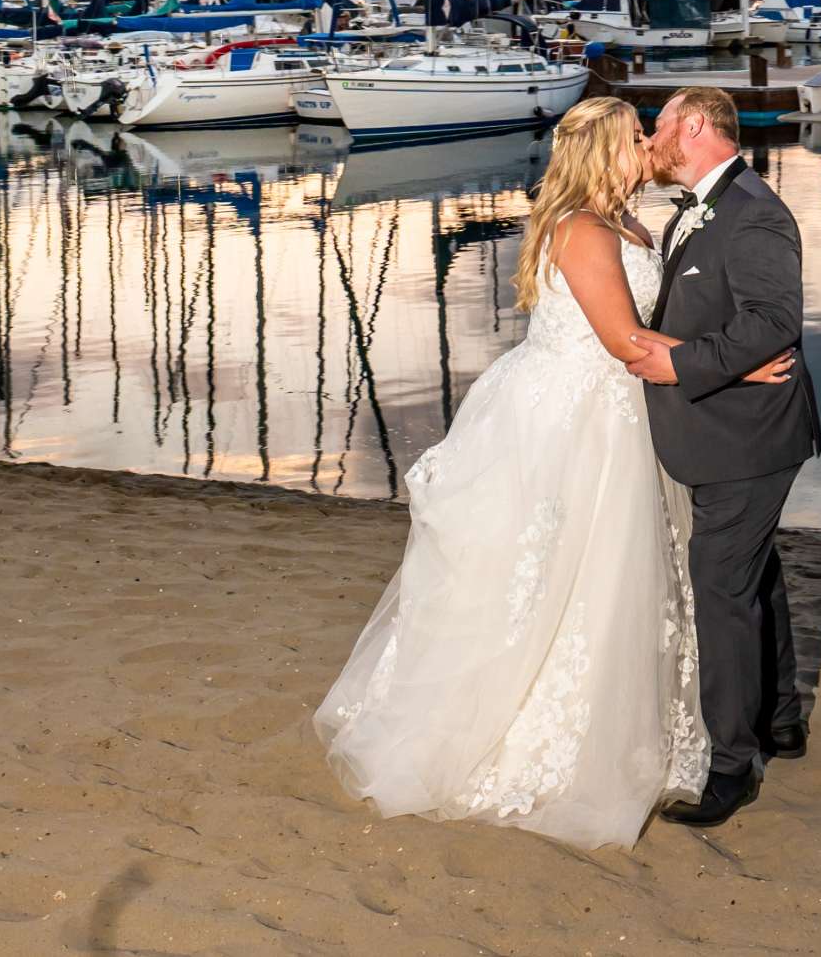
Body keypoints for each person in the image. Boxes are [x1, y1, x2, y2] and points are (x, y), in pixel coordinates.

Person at [314, 98, 794, 849]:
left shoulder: (634, 220)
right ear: (605, 151)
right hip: (578, 416)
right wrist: (740, 371)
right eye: (637, 137)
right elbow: (623, 339)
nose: (648, 146)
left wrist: (723, 361)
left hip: (626, 412)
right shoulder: (580, 229)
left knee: (645, 572)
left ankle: (753, 716)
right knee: (569, 573)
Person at [626, 86, 821, 828]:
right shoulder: (702, 209)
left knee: (719, 580)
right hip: (725, 429)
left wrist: (685, 367)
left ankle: (732, 766)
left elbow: (776, 322)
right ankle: (781, 718)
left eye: (660, 125)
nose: (653, 138)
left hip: (750, 434)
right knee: (753, 571)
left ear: (696, 126)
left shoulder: (755, 213)